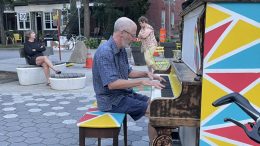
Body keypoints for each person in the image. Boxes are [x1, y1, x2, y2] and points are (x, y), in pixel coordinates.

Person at [92, 17, 166, 143]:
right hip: (111, 101)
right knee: (155, 111)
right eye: (132, 35)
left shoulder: (121, 50)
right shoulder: (105, 52)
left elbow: (129, 72)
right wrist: (141, 82)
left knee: (155, 104)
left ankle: (154, 142)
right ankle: (155, 143)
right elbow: (112, 84)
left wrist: (147, 74)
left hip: (123, 95)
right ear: (122, 33)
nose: (134, 39)